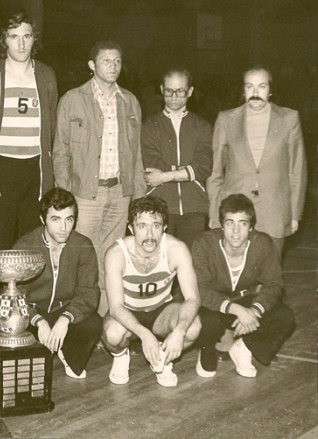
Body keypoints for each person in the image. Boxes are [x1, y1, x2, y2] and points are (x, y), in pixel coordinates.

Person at [0, 12, 58, 339]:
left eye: (27, 36)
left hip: (35, 170)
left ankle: (30, 326)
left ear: (35, 39)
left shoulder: (46, 75)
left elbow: (52, 128)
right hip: (2, 171)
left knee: (31, 252)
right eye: (14, 36)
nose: (21, 43)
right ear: (2, 40)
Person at [53, 40, 146, 317]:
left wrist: (137, 196)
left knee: (111, 260)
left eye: (117, 61)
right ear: (92, 65)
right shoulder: (72, 99)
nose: (113, 66)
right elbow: (60, 152)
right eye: (106, 61)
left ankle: (106, 319)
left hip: (120, 193)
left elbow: (136, 153)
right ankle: (77, 319)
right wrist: (66, 195)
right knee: (83, 258)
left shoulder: (129, 101)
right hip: (85, 195)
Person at [206, 66, 307, 258]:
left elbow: (297, 169)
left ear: (270, 90)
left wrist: (295, 214)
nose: (255, 93)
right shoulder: (226, 119)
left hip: (274, 210)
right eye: (249, 86)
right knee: (235, 274)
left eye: (261, 86)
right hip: (235, 212)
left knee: (269, 278)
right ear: (243, 90)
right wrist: (213, 212)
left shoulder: (289, 118)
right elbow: (215, 171)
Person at [192, 193, 296, 378]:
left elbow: (274, 284)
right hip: (214, 304)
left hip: (244, 299)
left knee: (284, 316)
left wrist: (254, 310)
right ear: (221, 225)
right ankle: (207, 349)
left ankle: (244, 347)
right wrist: (237, 310)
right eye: (230, 222)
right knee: (205, 320)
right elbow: (201, 289)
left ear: (251, 227)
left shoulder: (262, 243)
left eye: (243, 223)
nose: (235, 231)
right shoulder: (204, 243)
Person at [102, 196, 201, 388]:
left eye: (156, 225)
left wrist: (179, 331)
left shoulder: (177, 248)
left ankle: (164, 359)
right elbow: (115, 307)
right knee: (113, 334)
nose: (149, 234)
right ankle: (121, 356)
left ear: (164, 227)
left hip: (160, 311)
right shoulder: (116, 253)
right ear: (131, 228)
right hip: (128, 311)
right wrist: (145, 335)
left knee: (192, 327)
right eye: (142, 226)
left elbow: (193, 298)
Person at [14, 188, 102, 379]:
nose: (63, 227)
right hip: (33, 313)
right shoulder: (25, 245)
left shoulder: (83, 245)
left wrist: (65, 319)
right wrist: (38, 321)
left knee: (94, 323)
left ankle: (67, 352)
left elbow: (89, 293)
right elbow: (15, 294)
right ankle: (44, 347)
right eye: (56, 219)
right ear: (42, 219)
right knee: (13, 323)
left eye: (69, 219)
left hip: (64, 311)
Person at [141, 68, 213, 249]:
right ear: (161, 90)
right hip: (159, 205)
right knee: (161, 263)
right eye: (168, 91)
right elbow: (152, 165)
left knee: (192, 265)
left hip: (195, 207)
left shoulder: (202, 126)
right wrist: (187, 171)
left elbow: (203, 166)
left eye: (180, 91)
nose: (174, 97)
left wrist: (165, 176)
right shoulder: (149, 126)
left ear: (190, 92)